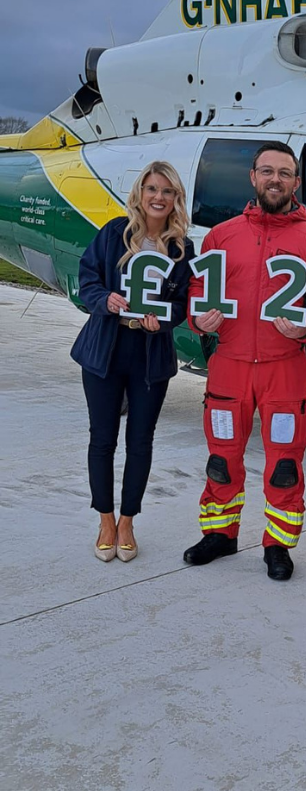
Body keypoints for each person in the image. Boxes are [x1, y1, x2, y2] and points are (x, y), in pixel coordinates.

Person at [180, 142, 306, 580]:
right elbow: (198, 292)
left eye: (284, 173)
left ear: (296, 182)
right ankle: (220, 534)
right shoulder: (220, 236)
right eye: (267, 171)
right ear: (253, 177)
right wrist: (199, 319)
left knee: (285, 464)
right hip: (228, 366)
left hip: (284, 369)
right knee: (221, 458)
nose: (275, 180)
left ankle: (278, 545)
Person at [70, 160, 194, 562]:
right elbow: (87, 279)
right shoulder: (113, 234)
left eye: (167, 191)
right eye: (152, 188)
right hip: (106, 348)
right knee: (102, 438)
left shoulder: (182, 248)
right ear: (140, 193)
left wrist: (165, 321)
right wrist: (104, 299)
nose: (159, 197)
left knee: (140, 440)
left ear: (176, 199)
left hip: (150, 352)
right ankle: (105, 520)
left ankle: (127, 521)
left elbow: (182, 303)